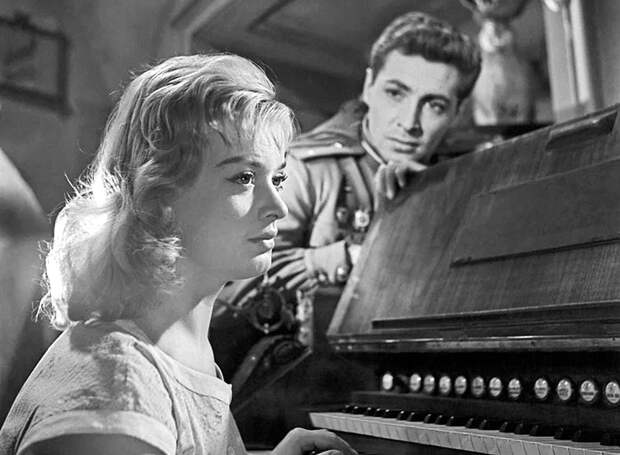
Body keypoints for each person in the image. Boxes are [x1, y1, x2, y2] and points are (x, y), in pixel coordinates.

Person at [0, 54, 357, 455]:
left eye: (278, 178)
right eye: (244, 177)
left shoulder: (182, 349)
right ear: (160, 195)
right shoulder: (117, 388)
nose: (279, 206)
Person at [212, 10, 482, 442]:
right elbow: (241, 281)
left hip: (415, 385)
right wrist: (360, 255)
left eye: (434, 105)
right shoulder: (305, 166)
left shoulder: (460, 183)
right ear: (369, 85)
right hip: (296, 393)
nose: (409, 122)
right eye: (396, 92)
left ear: (457, 112)